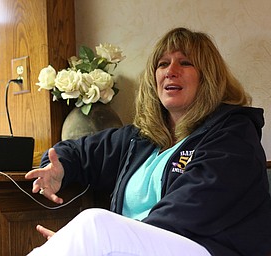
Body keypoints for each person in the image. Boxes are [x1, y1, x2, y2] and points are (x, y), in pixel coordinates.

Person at [25, 27, 271, 256]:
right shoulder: (140, 139)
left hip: (208, 249)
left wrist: (109, 243)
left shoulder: (233, 135)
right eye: (163, 64)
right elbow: (78, 150)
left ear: (208, 77)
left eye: (185, 63)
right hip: (138, 247)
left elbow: (192, 208)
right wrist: (59, 168)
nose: (170, 71)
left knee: (94, 224)